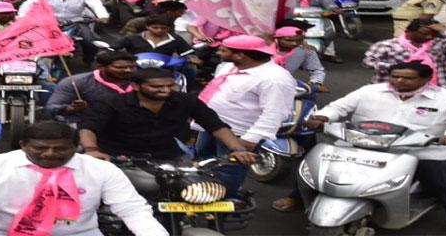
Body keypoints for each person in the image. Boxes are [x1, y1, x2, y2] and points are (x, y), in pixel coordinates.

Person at [304, 63, 446, 235]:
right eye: (395, 76)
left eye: (408, 78)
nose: (399, 81)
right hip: (360, 144)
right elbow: (339, 107)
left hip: (422, 151)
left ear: (427, 79)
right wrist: (322, 116)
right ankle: (297, 198)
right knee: (315, 169)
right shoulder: (370, 91)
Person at [0, 121, 168, 236]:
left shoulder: (102, 170)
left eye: (60, 149)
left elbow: (133, 210)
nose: (50, 154)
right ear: (23, 145)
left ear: (76, 147)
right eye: (40, 148)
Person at [79, 68, 258, 163]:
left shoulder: (186, 100)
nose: (166, 90)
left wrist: (238, 149)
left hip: (169, 158)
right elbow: (88, 127)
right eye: (157, 87)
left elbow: (215, 125)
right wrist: (91, 150)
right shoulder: (111, 102)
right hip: (119, 159)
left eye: (170, 86)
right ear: (135, 86)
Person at [196, 35, 297, 196]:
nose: (218, 52)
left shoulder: (275, 79)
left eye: (223, 50)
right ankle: (202, 195)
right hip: (210, 127)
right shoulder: (228, 66)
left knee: (228, 171)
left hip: (238, 135)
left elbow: (275, 113)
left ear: (240, 54)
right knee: (203, 162)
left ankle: (223, 202)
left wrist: (250, 140)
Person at [21, 0, 109, 64]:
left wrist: (103, 16)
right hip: (49, 23)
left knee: (89, 42)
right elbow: (29, 4)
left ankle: (89, 61)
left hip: (76, 22)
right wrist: (22, 17)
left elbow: (96, 5)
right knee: (34, 40)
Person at [364, 19, 446, 86]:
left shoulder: (440, 44)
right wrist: (399, 69)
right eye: (424, 34)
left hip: (435, 88)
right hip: (393, 87)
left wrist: (445, 31)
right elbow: (368, 62)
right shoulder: (386, 45)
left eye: (433, 34)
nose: (429, 37)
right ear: (408, 32)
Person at [46, 51, 137, 125]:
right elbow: (52, 108)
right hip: (84, 124)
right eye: (120, 67)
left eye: (132, 67)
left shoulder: (142, 81)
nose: (128, 70)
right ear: (101, 67)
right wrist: (71, 108)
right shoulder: (74, 82)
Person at [272, 26, 328, 91]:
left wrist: (315, 82)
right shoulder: (265, 50)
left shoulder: (306, 50)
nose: (294, 43)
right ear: (277, 39)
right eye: (288, 40)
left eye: (299, 40)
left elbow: (316, 69)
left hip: (288, 84)